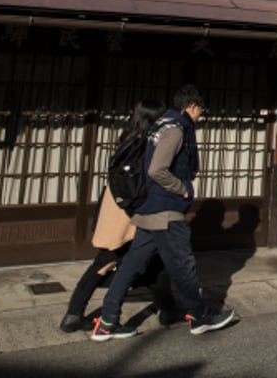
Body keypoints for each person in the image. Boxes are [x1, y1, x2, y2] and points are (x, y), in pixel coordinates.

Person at [91, 85, 236, 340]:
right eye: (200, 110)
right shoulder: (176, 129)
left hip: (150, 210)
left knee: (130, 266)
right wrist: (181, 188)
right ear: (192, 107)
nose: (200, 116)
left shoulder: (160, 125)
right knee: (183, 264)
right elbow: (157, 169)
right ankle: (199, 316)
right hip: (166, 209)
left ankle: (107, 321)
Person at [60, 100, 177, 333]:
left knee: (152, 264)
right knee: (109, 262)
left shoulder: (129, 140)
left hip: (117, 210)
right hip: (130, 214)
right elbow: (141, 184)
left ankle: (168, 310)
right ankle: (81, 315)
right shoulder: (142, 145)